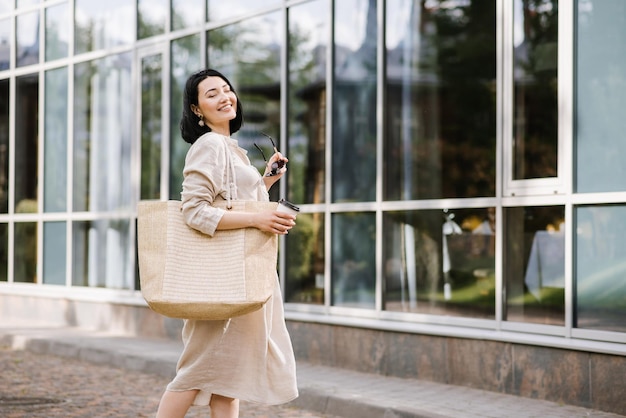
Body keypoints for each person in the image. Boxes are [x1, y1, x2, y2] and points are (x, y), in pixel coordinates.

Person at [155, 69, 299, 418]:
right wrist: (259, 218)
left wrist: (266, 182)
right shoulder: (209, 146)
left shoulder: (231, 150)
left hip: (240, 275)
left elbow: (230, 204)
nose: (225, 97)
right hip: (221, 280)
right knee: (194, 373)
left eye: (227, 89)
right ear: (196, 110)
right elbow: (195, 211)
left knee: (229, 379)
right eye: (212, 94)